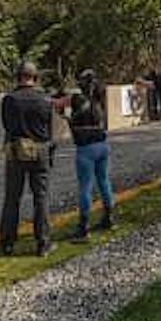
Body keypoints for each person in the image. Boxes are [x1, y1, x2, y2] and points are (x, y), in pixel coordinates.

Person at [0, 61, 55, 257]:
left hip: (16, 150)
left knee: (12, 197)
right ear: (35, 77)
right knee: (41, 198)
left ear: (18, 76)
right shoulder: (46, 100)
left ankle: (7, 242)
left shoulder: (9, 100)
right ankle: (43, 242)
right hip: (40, 151)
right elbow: (48, 128)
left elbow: (6, 125)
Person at [57, 69, 116, 242]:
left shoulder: (77, 99)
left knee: (85, 187)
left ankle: (83, 228)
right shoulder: (99, 100)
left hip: (86, 149)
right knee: (104, 181)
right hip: (102, 145)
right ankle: (109, 218)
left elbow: (58, 103)